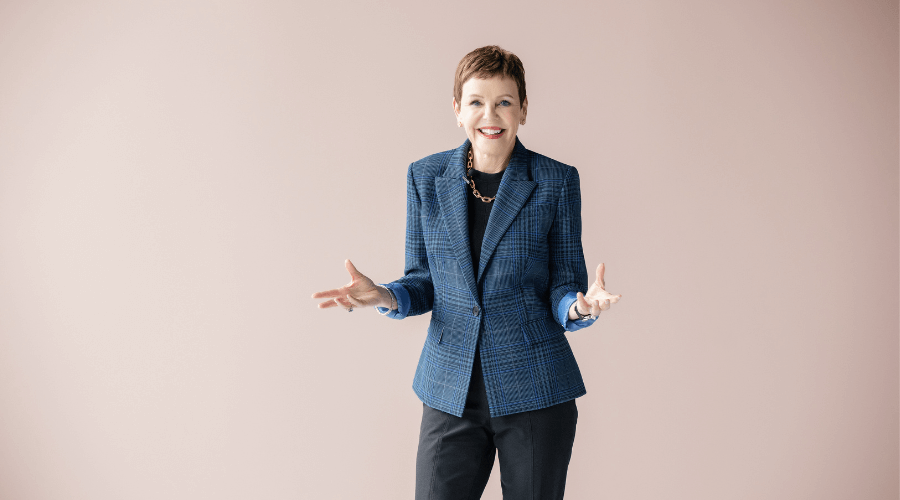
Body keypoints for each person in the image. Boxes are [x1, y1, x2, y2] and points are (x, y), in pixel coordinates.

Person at [311, 45, 621, 500]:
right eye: (476, 102)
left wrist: (579, 306)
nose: (490, 115)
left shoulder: (556, 181)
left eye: (504, 102)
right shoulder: (425, 177)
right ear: (458, 110)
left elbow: (563, 284)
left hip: (535, 389)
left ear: (523, 110)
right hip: (449, 388)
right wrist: (385, 295)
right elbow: (422, 280)